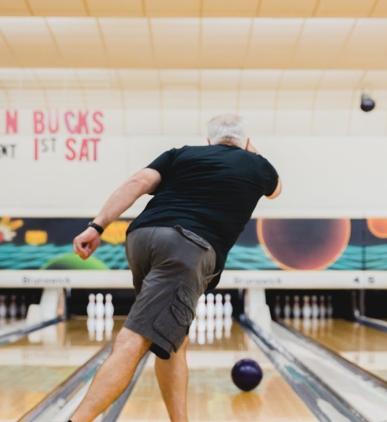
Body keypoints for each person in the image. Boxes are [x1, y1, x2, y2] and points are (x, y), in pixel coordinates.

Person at [70, 114, 281, 422]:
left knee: (172, 341)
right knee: (135, 338)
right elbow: (276, 189)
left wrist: (97, 226)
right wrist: (253, 151)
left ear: (208, 141)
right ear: (246, 142)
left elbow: (138, 182)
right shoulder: (259, 166)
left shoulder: (181, 154)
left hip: (142, 238)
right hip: (187, 247)